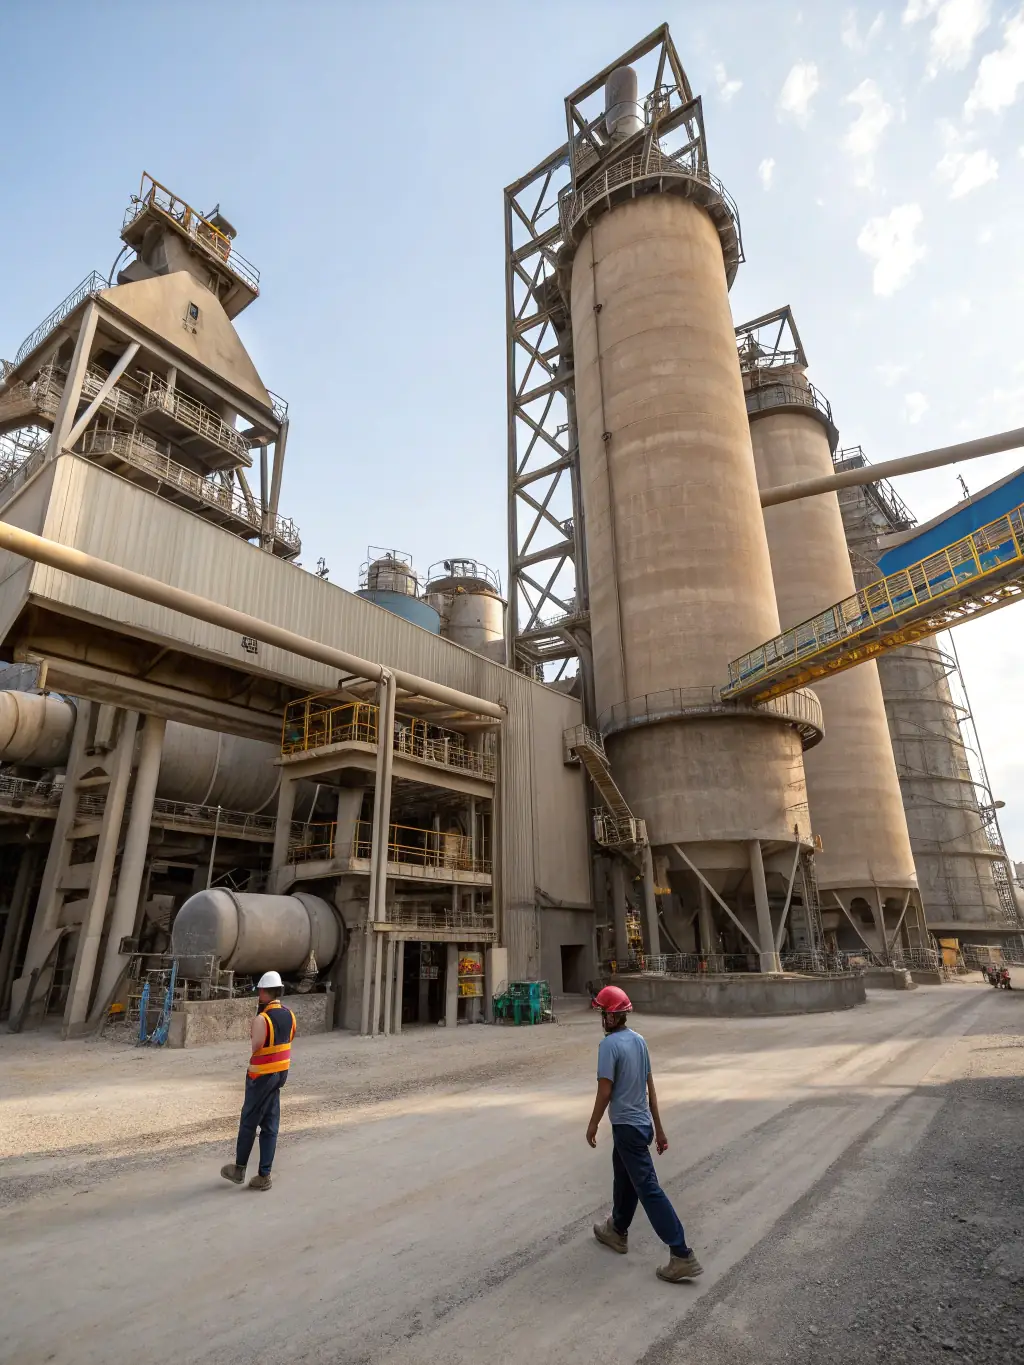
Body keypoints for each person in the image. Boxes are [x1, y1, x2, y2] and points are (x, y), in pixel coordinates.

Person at [586, 984, 702, 1283]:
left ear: (611, 1018)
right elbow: (650, 1088)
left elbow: (605, 1091)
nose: (601, 1017)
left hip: (626, 1127)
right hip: (642, 1126)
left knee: (648, 1188)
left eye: (603, 1013)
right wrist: (659, 1129)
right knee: (623, 1175)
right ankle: (617, 1230)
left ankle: (681, 1254)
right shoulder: (639, 1041)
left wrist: (593, 1123)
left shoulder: (608, 1046)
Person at [220, 970, 296, 1191]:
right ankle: (264, 1175)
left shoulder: (262, 1019)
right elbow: (288, 1038)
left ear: (263, 992)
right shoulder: (290, 1015)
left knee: (249, 1121)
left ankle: (239, 1168)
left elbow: (256, 1046)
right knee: (270, 1124)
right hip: (280, 1075)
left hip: (260, 1077)